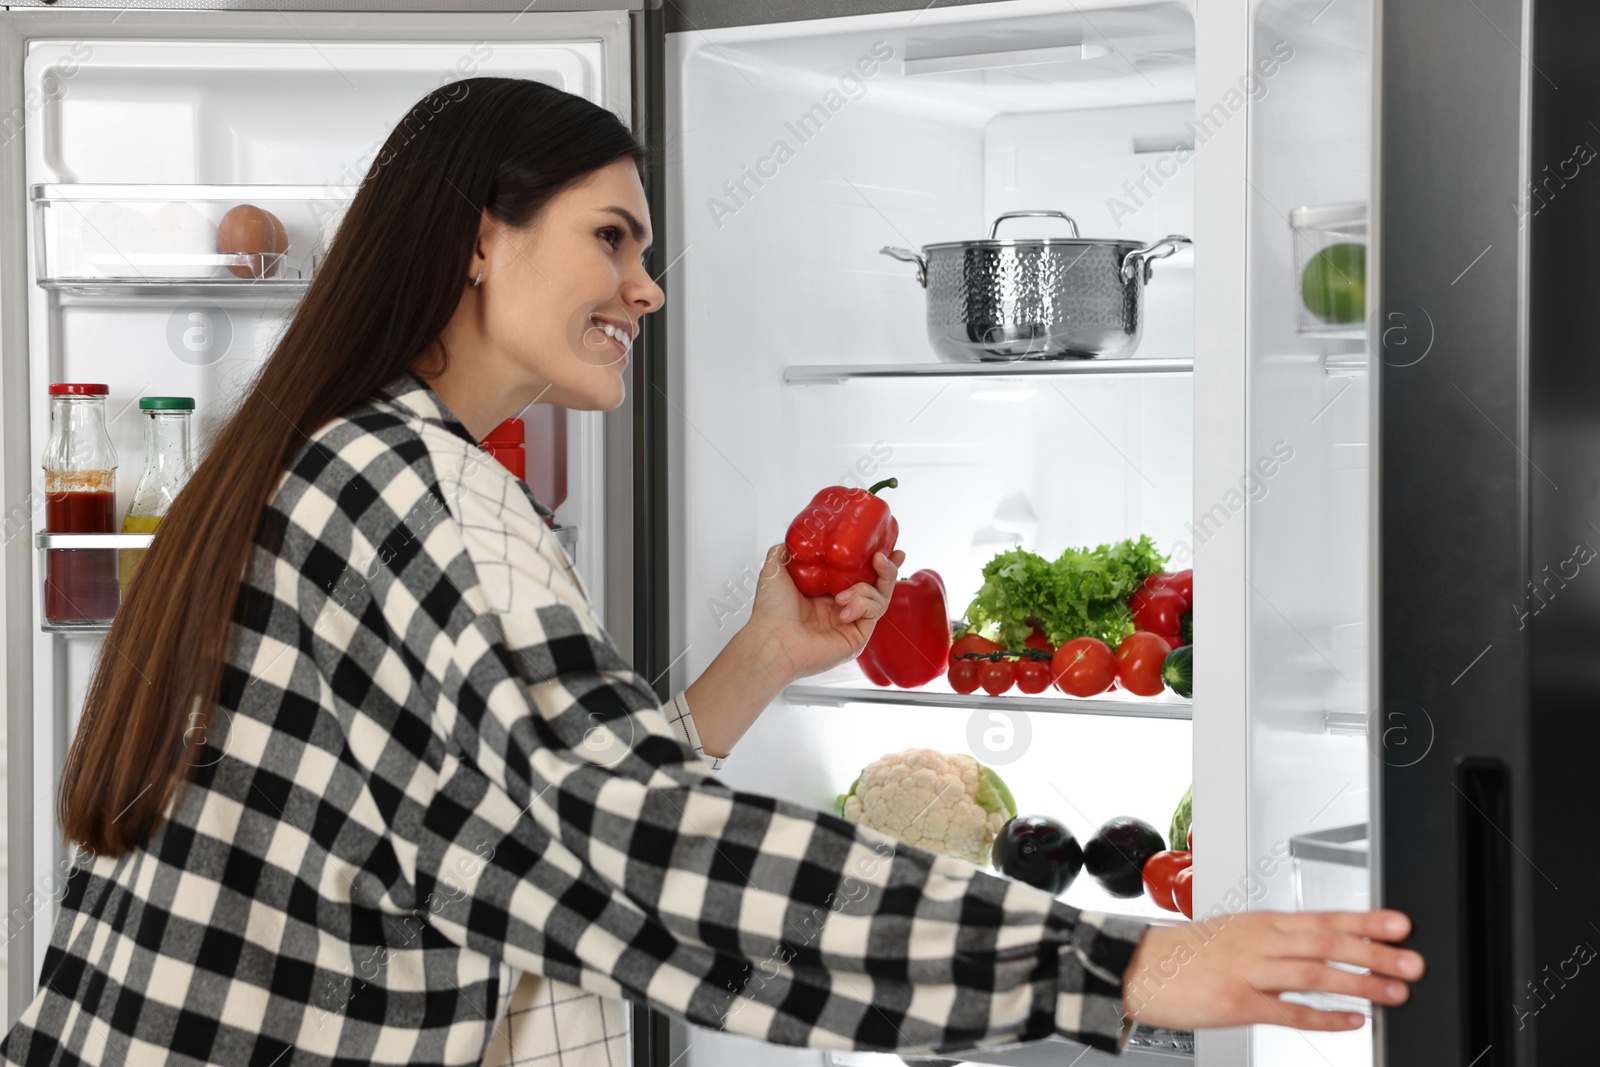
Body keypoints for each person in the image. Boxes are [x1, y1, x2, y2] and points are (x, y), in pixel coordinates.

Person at [1, 79, 1424, 1067]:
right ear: (476, 238)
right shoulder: (429, 493)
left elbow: (509, 820)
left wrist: (763, 662)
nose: (649, 289)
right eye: (611, 238)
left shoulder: (330, 452)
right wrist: (1114, 966)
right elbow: (647, 853)